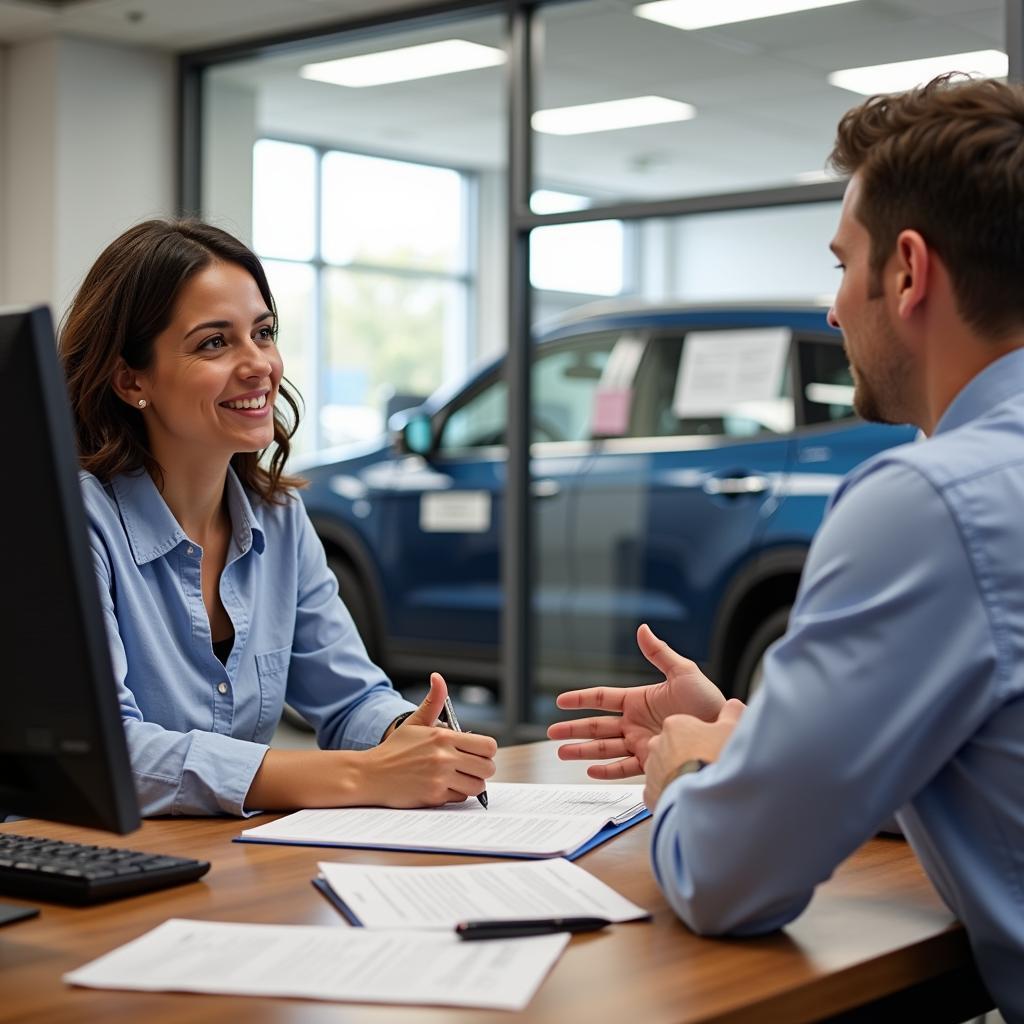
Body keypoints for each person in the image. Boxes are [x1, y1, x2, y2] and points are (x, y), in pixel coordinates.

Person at [548, 74, 1024, 1021]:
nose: (835, 308)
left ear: (909, 272)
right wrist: (751, 734)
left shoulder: (935, 500)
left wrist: (687, 768)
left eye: (844, 264)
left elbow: (725, 880)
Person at [59, 219, 496, 818]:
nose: (259, 364)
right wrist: (360, 775)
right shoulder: (77, 520)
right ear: (132, 378)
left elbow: (349, 697)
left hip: (229, 866)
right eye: (214, 342)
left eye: (262, 333)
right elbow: (111, 754)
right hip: (90, 873)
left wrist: (405, 734)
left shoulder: (279, 517)